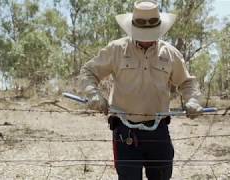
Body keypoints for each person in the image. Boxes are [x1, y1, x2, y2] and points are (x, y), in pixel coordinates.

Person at [79, 0, 203, 179]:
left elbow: (187, 82)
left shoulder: (170, 54)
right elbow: (88, 71)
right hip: (124, 130)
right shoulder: (116, 49)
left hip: (158, 130)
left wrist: (193, 100)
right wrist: (93, 94)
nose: (147, 38)